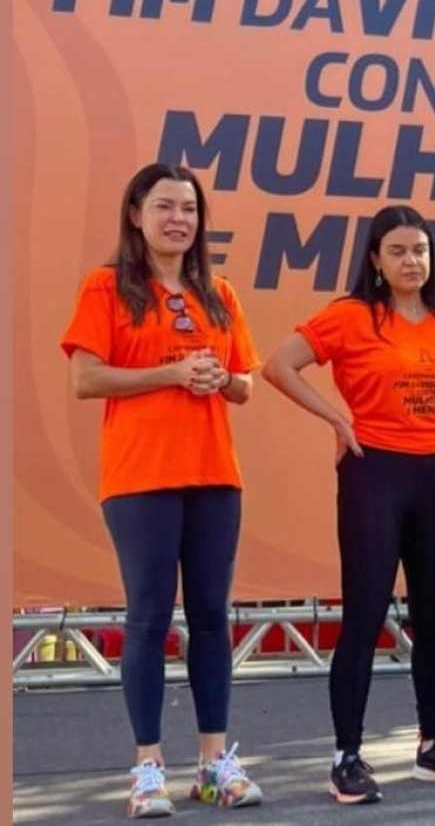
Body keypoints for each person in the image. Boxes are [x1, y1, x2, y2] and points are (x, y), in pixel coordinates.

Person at [262, 204, 435, 806]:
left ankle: (432, 745)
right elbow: (277, 365)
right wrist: (337, 416)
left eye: (420, 250)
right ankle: (347, 756)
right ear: (375, 260)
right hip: (374, 475)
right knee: (364, 614)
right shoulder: (351, 316)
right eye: (398, 251)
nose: (412, 261)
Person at [60, 163, 263, 818]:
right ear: (136, 214)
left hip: (214, 474)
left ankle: (214, 762)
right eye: (165, 206)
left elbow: (246, 382)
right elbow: (86, 379)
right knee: (148, 617)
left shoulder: (220, 293)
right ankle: (147, 767)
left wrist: (214, 379)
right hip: (140, 475)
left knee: (211, 617)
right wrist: (170, 371)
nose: (179, 218)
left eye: (190, 209)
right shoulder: (106, 287)